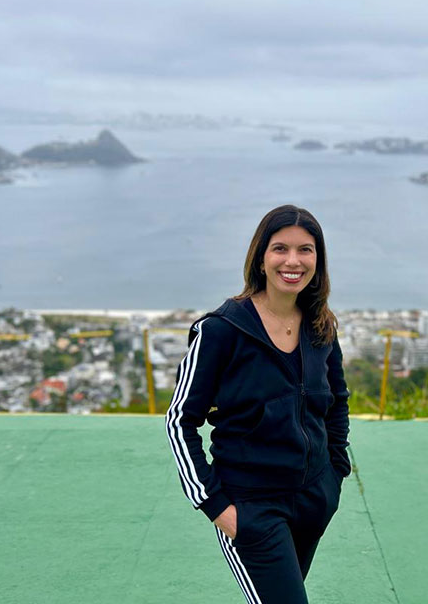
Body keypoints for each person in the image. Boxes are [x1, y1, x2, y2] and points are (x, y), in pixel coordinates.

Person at [165, 204, 351, 603]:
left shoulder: (321, 325)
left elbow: (337, 403)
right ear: (261, 258)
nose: (293, 261)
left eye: (306, 250)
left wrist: (336, 473)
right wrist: (217, 507)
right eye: (280, 248)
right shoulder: (220, 331)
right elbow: (180, 421)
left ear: (318, 260)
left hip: (313, 499)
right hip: (252, 507)